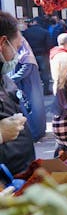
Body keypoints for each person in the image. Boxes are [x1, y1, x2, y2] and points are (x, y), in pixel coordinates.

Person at [0, 11, 35, 175]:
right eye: (18, 47)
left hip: (18, 178)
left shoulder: (4, 76)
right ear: (2, 43)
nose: (17, 54)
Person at [9, 40, 46, 141]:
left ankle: (35, 134)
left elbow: (26, 66)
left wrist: (10, 79)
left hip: (27, 84)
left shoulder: (25, 56)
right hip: (23, 83)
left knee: (32, 109)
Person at [22, 16, 53, 95]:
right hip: (42, 55)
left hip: (30, 55)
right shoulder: (45, 32)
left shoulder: (26, 32)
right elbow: (49, 45)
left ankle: (34, 91)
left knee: (31, 73)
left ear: (34, 22)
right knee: (45, 73)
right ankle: (46, 90)